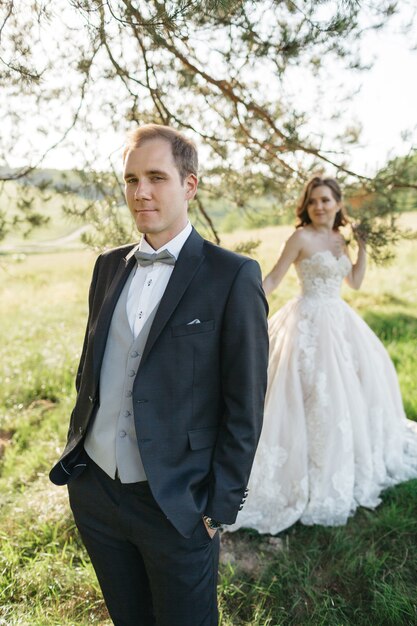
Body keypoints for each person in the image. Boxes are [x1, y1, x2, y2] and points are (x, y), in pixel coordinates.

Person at [49, 124, 269, 625]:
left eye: (155, 177)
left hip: (178, 505)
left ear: (189, 185)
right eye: (130, 179)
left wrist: (219, 508)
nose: (140, 192)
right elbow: (92, 372)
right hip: (97, 493)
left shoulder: (232, 276)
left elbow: (246, 405)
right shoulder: (107, 267)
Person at [227, 176, 417, 536]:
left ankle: (340, 462)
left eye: (326, 200)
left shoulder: (339, 239)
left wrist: (361, 249)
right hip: (309, 322)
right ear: (307, 205)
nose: (319, 206)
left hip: (341, 322)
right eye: (313, 200)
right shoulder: (300, 238)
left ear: (338, 203)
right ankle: (304, 469)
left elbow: (355, 283)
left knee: (349, 395)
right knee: (311, 395)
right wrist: (245, 304)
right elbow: (273, 279)